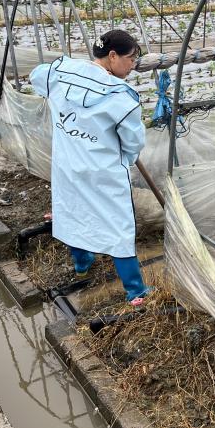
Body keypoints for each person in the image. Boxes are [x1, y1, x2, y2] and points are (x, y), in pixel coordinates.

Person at [31, 29, 151, 304]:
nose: (133, 65)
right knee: (118, 226)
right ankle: (136, 292)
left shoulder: (61, 72)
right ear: (112, 56)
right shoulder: (121, 96)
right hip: (103, 172)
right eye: (131, 58)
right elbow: (133, 142)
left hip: (68, 166)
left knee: (74, 212)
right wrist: (127, 159)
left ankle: (82, 263)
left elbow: (37, 76)